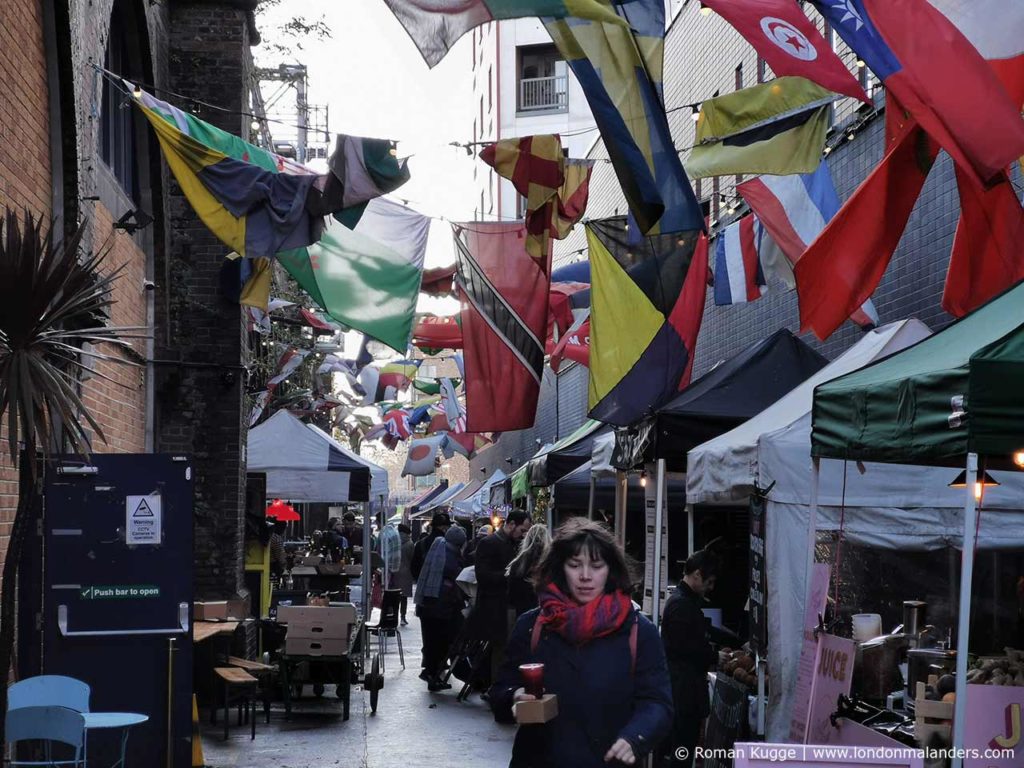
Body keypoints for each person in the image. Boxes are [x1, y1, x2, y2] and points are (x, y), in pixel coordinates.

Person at [489, 518, 673, 767]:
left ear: (610, 571)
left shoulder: (639, 631)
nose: (586, 576)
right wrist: (514, 697)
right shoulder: (532, 625)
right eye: (575, 565)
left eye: (596, 566)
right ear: (560, 568)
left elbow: (657, 703)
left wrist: (634, 738)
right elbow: (501, 690)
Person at [660, 548, 721, 768]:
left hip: (685, 690)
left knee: (683, 749)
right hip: (683, 692)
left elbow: (704, 630)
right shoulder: (680, 604)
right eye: (709, 581)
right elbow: (686, 648)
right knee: (682, 749)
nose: (710, 588)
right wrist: (716, 656)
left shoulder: (685, 601)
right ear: (697, 575)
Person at [473, 509, 532, 680]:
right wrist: (508, 574)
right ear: (511, 524)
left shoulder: (515, 544)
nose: (523, 535)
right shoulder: (489, 543)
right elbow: (482, 576)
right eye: (522, 530)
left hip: (511, 605)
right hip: (496, 607)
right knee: (500, 649)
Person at [414, 525, 468, 691]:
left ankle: (431, 673)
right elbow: (456, 574)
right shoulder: (451, 555)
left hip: (428, 603)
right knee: (440, 642)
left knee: (431, 641)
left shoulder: (438, 546)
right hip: (440, 607)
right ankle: (432, 675)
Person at [506, 524, 551, 617]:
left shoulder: (518, 563)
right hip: (549, 611)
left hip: (523, 611)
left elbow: (511, 594)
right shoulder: (553, 560)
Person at [412, 512, 451, 580]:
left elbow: (414, 567)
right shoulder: (448, 543)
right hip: (443, 584)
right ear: (443, 527)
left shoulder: (420, 543)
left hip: (423, 581)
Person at [395, 523, 415, 625]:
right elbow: (412, 559)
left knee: (394, 596)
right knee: (404, 597)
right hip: (406, 572)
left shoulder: (395, 542)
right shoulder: (410, 543)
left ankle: (394, 615)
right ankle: (403, 617)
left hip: (394, 571)